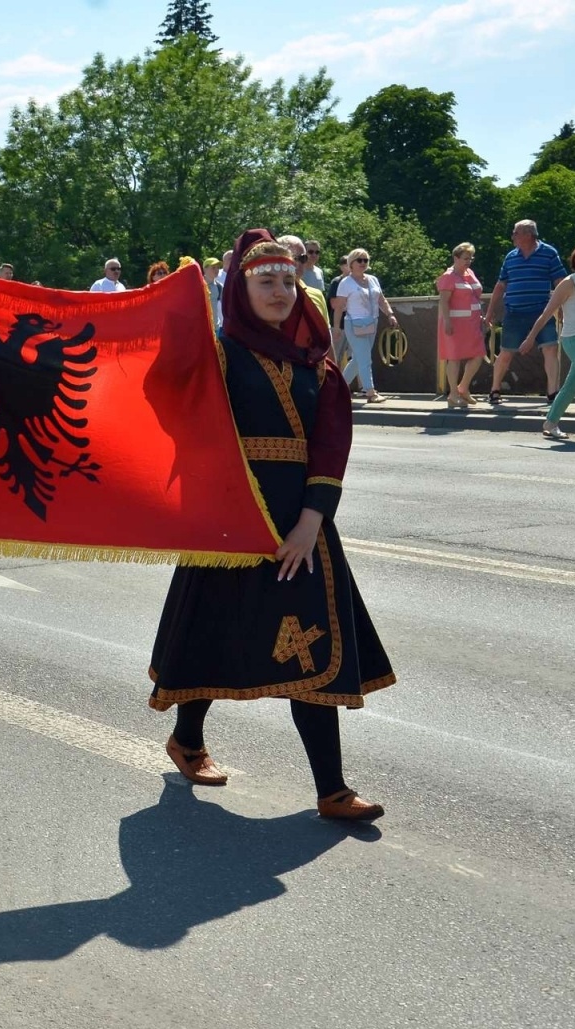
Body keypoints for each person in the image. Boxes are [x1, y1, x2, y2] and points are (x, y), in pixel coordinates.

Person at [150, 230, 395, 821]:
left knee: (308, 642)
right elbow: (163, 397)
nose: (282, 291)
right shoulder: (216, 354)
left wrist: (313, 519)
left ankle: (331, 789)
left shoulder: (318, 362)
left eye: (289, 280)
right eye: (266, 281)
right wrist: (171, 319)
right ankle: (187, 740)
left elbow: (331, 444)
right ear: (239, 288)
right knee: (213, 630)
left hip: (300, 522)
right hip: (229, 520)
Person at [522, 240, 575, 441]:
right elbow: (547, 312)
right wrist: (531, 337)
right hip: (574, 338)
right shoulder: (570, 282)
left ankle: (550, 422)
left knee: (571, 386)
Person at [487, 220, 569, 406]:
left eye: (515, 233)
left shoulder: (549, 253)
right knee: (506, 352)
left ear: (528, 235)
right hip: (514, 312)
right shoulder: (511, 257)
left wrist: (562, 308)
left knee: (551, 348)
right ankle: (494, 390)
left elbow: (560, 282)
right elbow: (501, 285)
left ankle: (552, 393)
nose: (512, 237)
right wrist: (491, 310)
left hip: (542, 312)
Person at [332, 248, 396, 403]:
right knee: (365, 358)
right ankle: (370, 392)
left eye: (365, 260)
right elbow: (339, 307)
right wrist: (336, 328)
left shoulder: (373, 279)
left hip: (371, 322)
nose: (363, 263)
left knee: (358, 359)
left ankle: (338, 388)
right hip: (354, 324)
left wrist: (390, 314)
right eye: (359, 260)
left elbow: (381, 300)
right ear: (351, 263)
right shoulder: (345, 283)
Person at [436, 243, 487, 408]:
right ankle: (453, 394)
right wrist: (447, 322)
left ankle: (463, 388)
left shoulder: (469, 273)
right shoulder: (448, 276)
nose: (469, 261)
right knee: (454, 358)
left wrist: (480, 316)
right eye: (465, 258)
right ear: (455, 258)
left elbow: (473, 297)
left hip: (472, 323)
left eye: (471, 258)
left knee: (478, 355)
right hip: (455, 324)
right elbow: (444, 301)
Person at [203, 257, 223, 325]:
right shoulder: (197, 285)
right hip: (200, 327)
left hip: (215, 327)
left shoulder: (219, 286)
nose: (217, 270)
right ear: (205, 269)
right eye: (213, 267)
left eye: (218, 267)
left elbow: (227, 306)